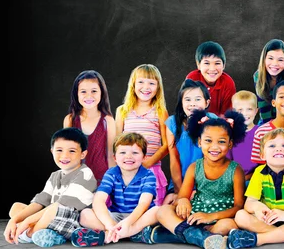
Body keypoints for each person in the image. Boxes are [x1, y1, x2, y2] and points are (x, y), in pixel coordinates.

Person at [150, 110, 247, 249]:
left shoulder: (235, 170)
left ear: (230, 144)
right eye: (208, 141)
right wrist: (183, 201)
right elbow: (182, 196)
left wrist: (211, 217)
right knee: (163, 211)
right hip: (195, 215)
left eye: (221, 142)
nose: (214, 147)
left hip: (220, 217)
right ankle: (201, 238)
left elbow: (239, 206)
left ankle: (183, 235)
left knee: (228, 226)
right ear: (200, 142)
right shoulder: (195, 167)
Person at [227, 128, 284, 249]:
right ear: (262, 155)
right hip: (268, 220)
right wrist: (259, 208)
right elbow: (249, 203)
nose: (279, 148)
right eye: (272, 146)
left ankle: (258, 239)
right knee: (240, 216)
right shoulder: (259, 172)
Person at [3, 127, 97, 247]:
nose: (65, 155)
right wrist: (14, 220)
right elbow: (40, 201)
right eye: (59, 150)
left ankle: (28, 235)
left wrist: (26, 221)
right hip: (51, 218)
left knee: (54, 208)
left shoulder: (85, 173)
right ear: (52, 151)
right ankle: (46, 233)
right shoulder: (55, 175)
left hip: (72, 222)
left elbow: (62, 205)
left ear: (83, 154)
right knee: (16, 207)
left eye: (72, 151)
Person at [71, 132, 159, 247]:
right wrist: (110, 224)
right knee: (85, 214)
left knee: (157, 210)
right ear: (115, 158)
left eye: (135, 153)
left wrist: (128, 222)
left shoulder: (148, 175)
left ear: (144, 157)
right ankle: (120, 233)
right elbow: (99, 200)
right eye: (122, 152)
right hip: (116, 216)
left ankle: (112, 235)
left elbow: (144, 204)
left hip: (139, 217)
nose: (128, 156)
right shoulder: (111, 173)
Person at [116, 64, 169, 206]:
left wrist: (148, 163)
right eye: (141, 82)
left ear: (158, 87)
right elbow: (116, 144)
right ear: (133, 84)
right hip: (127, 168)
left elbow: (166, 145)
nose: (146, 87)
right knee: (128, 207)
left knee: (151, 208)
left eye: (151, 83)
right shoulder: (122, 111)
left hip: (150, 169)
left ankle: (149, 228)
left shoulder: (160, 111)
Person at [164, 79, 218, 205]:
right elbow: (174, 159)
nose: (192, 104)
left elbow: (215, 159)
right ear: (181, 102)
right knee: (168, 206)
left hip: (206, 184)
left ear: (206, 102)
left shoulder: (213, 120)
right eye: (187, 100)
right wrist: (180, 192)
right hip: (180, 183)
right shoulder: (172, 123)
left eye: (198, 99)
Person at [63, 70, 116, 186]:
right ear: (76, 94)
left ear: (102, 92)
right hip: (76, 181)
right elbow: (66, 155)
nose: (89, 96)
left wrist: (112, 184)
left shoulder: (108, 121)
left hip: (101, 181)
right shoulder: (70, 120)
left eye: (94, 91)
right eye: (83, 91)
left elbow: (111, 156)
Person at [186, 41, 236, 116]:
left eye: (217, 63)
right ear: (198, 65)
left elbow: (227, 115)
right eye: (206, 63)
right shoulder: (192, 78)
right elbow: (188, 108)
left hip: (218, 123)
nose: (212, 69)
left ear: (224, 65)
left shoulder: (228, 83)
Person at [253, 38, 284, 125]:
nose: (275, 63)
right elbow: (263, 105)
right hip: (266, 118)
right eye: (270, 58)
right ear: (264, 59)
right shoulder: (258, 76)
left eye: (280, 60)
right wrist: (269, 128)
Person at [227, 90, 260, 182]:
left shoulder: (261, 133)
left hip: (256, 178)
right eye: (240, 110)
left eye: (249, 109)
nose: (244, 113)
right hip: (234, 179)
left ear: (256, 111)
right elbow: (227, 161)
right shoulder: (230, 134)